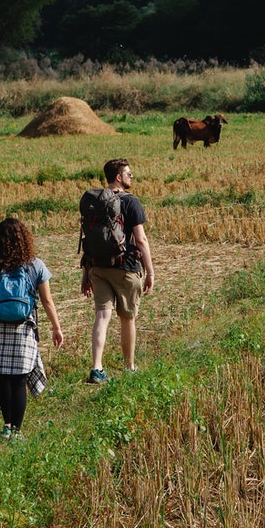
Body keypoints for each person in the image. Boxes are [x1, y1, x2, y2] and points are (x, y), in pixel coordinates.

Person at [0, 217, 64, 438]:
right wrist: (56, 327)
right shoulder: (36, 265)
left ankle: (6, 426)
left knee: (4, 377)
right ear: (25, 240)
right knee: (20, 379)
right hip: (24, 328)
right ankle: (18, 430)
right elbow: (47, 301)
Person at [82, 158, 154, 384]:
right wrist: (150, 271)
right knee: (127, 318)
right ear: (118, 177)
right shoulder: (131, 202)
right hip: (125, 267)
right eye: (128, 174)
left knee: (102, 317)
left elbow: (89, 239)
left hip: (98, 268)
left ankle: (96, 368)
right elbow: (141, 240)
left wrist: (86, 274)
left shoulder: (95, 202)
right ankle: (129, 367)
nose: (131, 177)